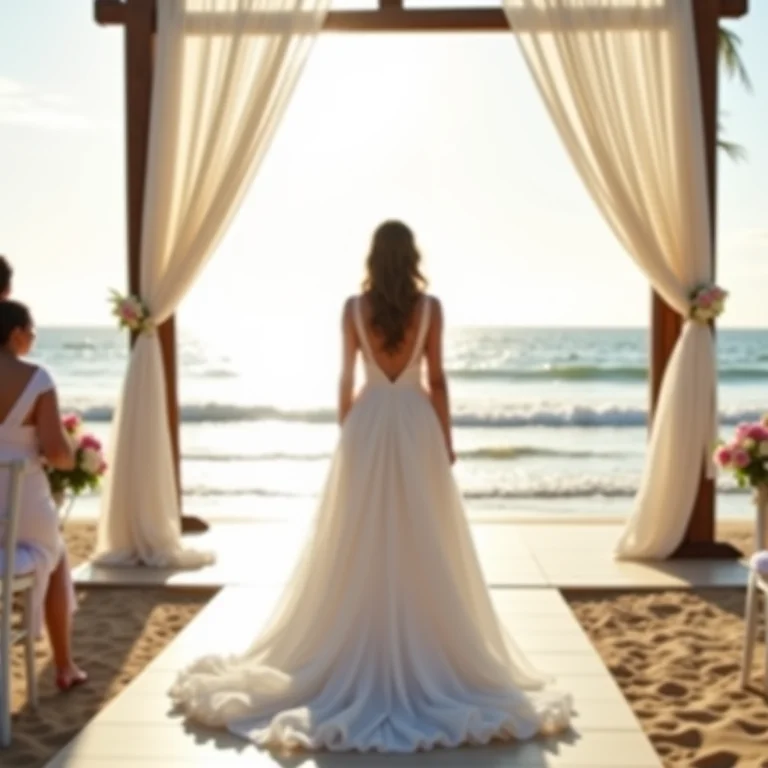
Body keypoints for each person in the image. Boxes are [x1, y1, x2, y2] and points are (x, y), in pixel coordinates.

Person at [169, 221, 572, 752]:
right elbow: (438, 379)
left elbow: (343, 378)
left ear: (373, 257)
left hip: (368, 422)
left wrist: (347, 433)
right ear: (410, 258)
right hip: (414, 421)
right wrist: (446, 440)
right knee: (422, 534)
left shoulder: (351, 310)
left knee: (358, 538)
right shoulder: (430, 309)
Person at [0, 300, 87, 691]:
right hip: (24, 510)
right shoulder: (37, 379)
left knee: (49, 549)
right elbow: (57, 453)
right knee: (53, 555)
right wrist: (74, 455)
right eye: (32, 332)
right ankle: (65, 665)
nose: (33, 339)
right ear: (16, 334)